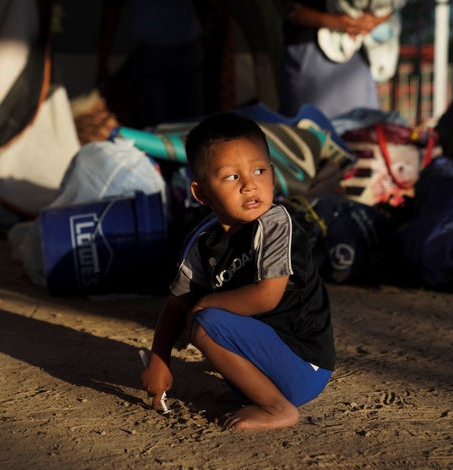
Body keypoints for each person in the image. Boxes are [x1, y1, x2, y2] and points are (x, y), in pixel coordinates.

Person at [140, 112, 335, 430]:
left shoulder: (275, 224)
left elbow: (267, 297)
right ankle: (255, 389)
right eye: (231, 177)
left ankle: (276, 408)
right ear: (201, 193)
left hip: (304, 365)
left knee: (205, 321)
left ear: (272, 176)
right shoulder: (205, 244)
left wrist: (203, 305)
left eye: (259, 171)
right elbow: (176, 303)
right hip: (269, 361)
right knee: (202, 317)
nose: (249, 185)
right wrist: (159, 360)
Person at [278, 0, 398, 119]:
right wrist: (335, 22)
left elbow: (393, 7)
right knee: (311, 127)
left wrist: (372, 21)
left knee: (361, 127)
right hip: (310, 54)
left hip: (357, 55)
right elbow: (287, 8)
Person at [95, 0, 204, 129]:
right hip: (153, 49)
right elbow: (111, 11)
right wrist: (102, 62)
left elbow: (111, 11)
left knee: (188, 122)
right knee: (157, 121)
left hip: (182, 46)